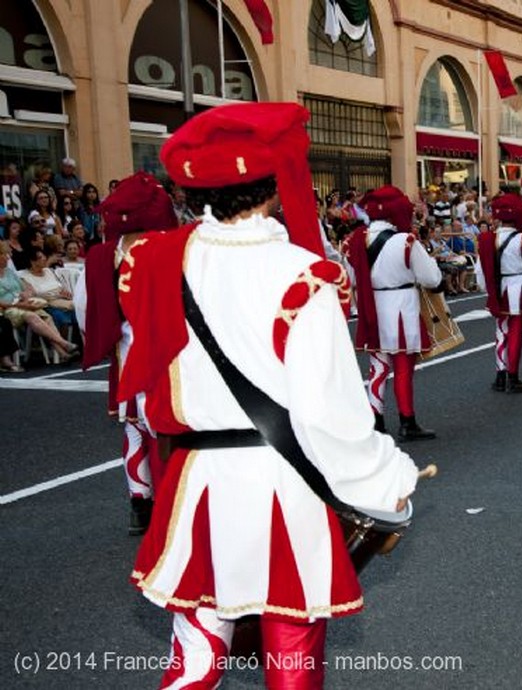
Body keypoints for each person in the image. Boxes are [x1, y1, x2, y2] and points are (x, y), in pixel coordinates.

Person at [119, 102, 420, 688]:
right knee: (292, 653)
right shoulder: (304, 273)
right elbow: (329, 410)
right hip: (284, 480)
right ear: (274, 186)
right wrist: (386, 477)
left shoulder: (151, 262)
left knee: (195, 663)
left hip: (196, 479)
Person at [72, 171, 181, 536]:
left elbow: (86, 310)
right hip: (171, 351)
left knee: (134, 427)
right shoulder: (172, 249)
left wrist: (107, 339)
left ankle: (139, 501)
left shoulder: (101, 256)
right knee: (171, 426)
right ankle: (173, 502)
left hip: (125, 351)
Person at [343, 184, 443, 441]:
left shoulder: (354, 240)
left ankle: (375, 422)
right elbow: (431, 278)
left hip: (372, 304)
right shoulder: (406, 240)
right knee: (402, 367)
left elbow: (350, 277)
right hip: (401, 305)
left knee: (377, 366)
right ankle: (407, 422)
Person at [476, 193, 522, 394]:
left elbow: (481, 269)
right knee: (516, 331)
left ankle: (500, 374)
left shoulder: (489, 238)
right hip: (519, 284)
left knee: (501, 331)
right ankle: (513, 376)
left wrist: (486, 288)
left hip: (500, 285)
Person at [0, 241, 78, 360]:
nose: (8, 257)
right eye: (5, 255)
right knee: (33, 316)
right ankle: (64, 343)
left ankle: (61, 353)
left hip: (23, 303)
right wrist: (21, 304)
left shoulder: (10, 272)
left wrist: (26, 294)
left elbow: (27, 287)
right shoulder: (21, 273)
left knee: (47, 317)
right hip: (9, 308)